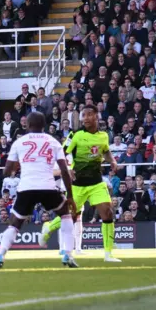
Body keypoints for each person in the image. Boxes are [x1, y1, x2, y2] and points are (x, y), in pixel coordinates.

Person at [0, 112, 77, 269]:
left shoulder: (19, 142)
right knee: (66, 216)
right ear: (44, 125)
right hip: (48, 187)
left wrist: (17, 165)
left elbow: (6, 171)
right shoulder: (54, 141)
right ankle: (67, 255)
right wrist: (70, 196)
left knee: (14, 224)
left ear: (28, 125)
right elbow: (65, 171)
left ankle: (0, 256)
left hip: (27, 188)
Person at [40, 105, 121, 262]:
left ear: (96, 117)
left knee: (108, 212)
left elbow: (105, 151)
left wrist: (112, 161)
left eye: (88, 115)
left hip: (97, 183)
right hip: (78, 184)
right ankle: (48, 227)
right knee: (70, 215)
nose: (85, 118)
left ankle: (108, 254)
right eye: (83, 115)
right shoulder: (75, 135)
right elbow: (62, 153)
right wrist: (69, 167)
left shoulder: (104, 136)